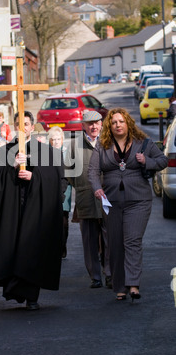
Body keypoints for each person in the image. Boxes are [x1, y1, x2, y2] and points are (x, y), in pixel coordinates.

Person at [0, 111, 64, 310]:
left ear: (32, 126)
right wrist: (11, 167)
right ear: (14, 126)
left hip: (35, 210)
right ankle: (16, 289)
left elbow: (54, 180)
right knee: (12, 248)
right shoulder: (5, 152)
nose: (23, 127)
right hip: (12, 210)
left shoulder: (46, 151)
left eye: (27, 124)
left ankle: (32, 296)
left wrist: (34, 177)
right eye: (19, 124)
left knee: (32, 250)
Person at [88, 108, 168, 301]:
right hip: (111, 201)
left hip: (138, 200)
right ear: (110, 126)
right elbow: (92, 171)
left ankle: (133, 284)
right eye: (114, 122)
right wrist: (97, 188)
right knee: (114, 243)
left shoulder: (144, 143)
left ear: (128, 123)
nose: (118, 125)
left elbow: (163, 160)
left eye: (121, 121)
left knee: (132, 240)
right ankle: (120, 286)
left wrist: (146, 161)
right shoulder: (102, 145)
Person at [65, 111, 111, 288]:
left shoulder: (108, 143)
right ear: (83, 125)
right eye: (89, 123)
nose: (93, 126)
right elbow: (68, 172)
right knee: (90, 241)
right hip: (86, 199)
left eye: (96, 123)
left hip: (108, 199)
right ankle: (95, 277)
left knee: (109, 239)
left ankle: (109, 273)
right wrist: (82, 186)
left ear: (101, 124)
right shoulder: (75, 145)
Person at [48, 126, 72, 258]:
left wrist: (63, 190)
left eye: (58, 139)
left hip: (65, 189)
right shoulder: (46, 154)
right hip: (51, 190)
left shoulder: (67, 153)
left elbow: (69, 174)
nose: (56, 142)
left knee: (63, 219)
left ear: (62, 139)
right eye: (53, 139)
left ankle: (62, 246)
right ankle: (54, 247)